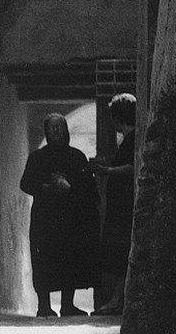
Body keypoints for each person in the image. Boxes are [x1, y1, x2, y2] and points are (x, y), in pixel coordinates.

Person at [20, 113, 99, 318]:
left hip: (69, 219)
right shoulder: (37, 158)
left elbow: (88, 187)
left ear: (66, 130)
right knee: (43, 260)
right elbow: (26, 183)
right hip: (45, 219)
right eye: (52, 127)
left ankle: (67, 305)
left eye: (59, 126)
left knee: (69, 259)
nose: (56, 130)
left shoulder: (76, 157)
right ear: (47, 131)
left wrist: (69, 187)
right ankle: (44, 306)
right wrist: (47, 187)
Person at [92, 93, 137, 315]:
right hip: (121, 204)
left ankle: (117, 299)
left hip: (125, 205)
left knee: (121, 251)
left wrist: (108, 170)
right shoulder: (128, 139)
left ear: (119, 117)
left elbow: (134, 166)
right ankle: (117, 298)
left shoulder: (133, 138)